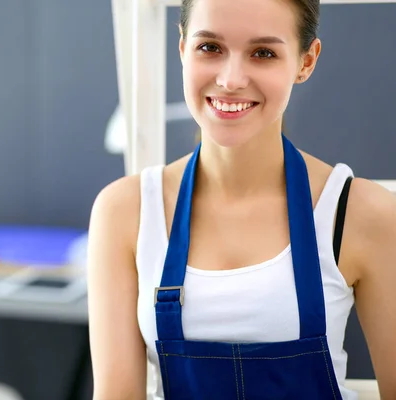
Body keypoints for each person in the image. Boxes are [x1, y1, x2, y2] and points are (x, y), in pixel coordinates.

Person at [87, 0, 396, 398]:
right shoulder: (126, 211)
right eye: (210, 48)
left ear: (306, 61)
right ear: (182, 48)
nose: (231, 79)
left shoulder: (360, 213)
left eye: (263, 53)